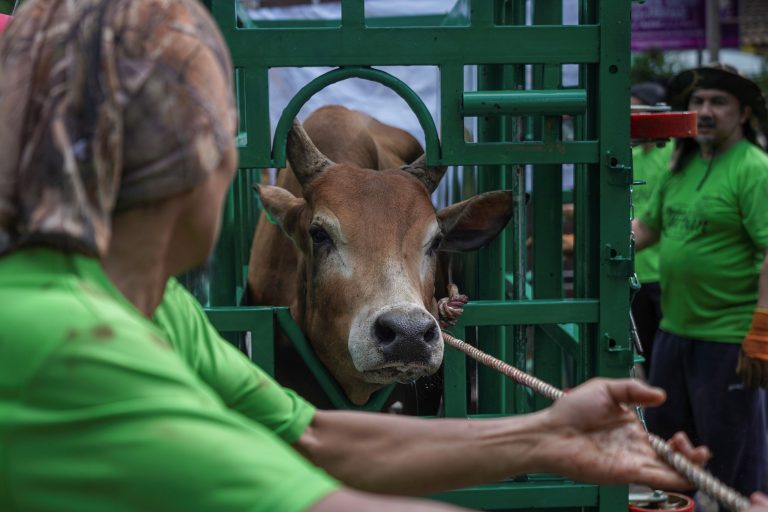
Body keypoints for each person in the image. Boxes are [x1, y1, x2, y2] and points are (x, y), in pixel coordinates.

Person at [0, 1, 721, 510]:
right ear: (174, 162)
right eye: (220, 131)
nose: (231, 161)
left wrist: (546, 435)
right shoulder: (56, 336)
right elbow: (309, 498)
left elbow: (313, 434)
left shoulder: (154, 307)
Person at [632, 63, 768, 500]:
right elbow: (648, 229)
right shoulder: (681, 164)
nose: (705, 111)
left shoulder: (754, 169)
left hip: (728, 339)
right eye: (697, 102)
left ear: (743, 113)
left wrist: (761, 330)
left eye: (718, 102)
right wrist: (596, 242)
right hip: (674, 334)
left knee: (732, 469)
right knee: (673, 456)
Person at [630, 81, 674, 378]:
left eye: (637, 110)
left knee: (666, 357)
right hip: (637, 272)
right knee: (644, 350)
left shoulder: (674, 155)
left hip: (664, 274)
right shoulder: (629, 157)